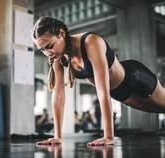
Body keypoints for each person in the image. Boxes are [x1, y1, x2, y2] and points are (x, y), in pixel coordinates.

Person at [32, 17, 165, 146]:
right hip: (119, 92)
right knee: (153, 110)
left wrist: (108, 136)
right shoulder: (57, 57)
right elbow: (58, 96)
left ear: (61, 33)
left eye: (49, 46)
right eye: (43, 49)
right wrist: (57, 136)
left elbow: (102, 91)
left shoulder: (91, 42)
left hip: (136, 77)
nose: (47, 53)